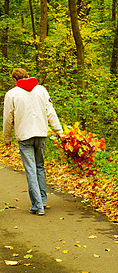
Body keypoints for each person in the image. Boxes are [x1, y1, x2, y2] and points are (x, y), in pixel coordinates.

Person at [3, 68, 66, 216]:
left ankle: (38, 206)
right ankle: (42, 199)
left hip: (24, 135)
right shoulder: (41, 90)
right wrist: (60, 131)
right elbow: (50, 111)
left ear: (14, 79)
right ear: (27, 76)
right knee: (39, 166)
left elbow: (7, 118)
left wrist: (7, 138)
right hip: (41, 133)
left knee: (31, 169)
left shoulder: (12, 94)